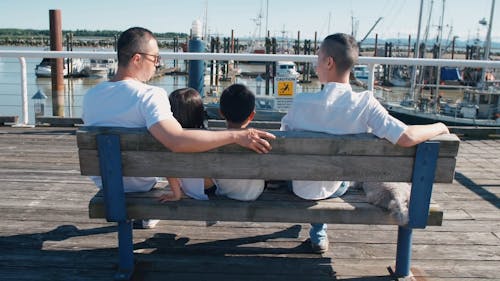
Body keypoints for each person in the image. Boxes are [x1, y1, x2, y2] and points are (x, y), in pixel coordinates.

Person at [82, 27, 275, 228]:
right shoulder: (149, 95)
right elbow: (177, 141)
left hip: (107, 181)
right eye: (155, 58)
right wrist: (235, 136)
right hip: (140, 183)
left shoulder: (91, 96)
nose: (158, 64)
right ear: (137, 59)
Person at [280, 33, 449, 253]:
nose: (315, 63)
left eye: (318, 57)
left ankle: (318, 230)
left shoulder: (301, 103)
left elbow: (283, 141)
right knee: (337, 176)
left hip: (299, 187)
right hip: (336, 187)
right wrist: (439, 126)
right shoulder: (366, 103)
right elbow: (406, 137)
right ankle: (319, 231)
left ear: (329, 62)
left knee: (311, 172)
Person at [159, 87, 214, 201]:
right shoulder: (207, 137)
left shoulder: (169, 139)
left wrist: (176, 194)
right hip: (212, 188)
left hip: (189, 189)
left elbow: (168, 169)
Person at [212, 84, 265, 201]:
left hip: (224, 194)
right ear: (252, 115)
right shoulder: (260, 141)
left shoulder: (212, 141)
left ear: (221, 112)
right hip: (255, 194)